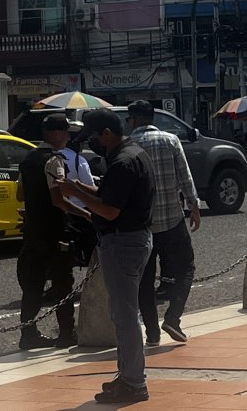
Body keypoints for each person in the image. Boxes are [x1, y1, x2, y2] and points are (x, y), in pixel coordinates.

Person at [59, 109, 154, 404]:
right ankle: (127, 375)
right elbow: (108, 193)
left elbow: (109, 209)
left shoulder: (123, 162)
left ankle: (134, 382)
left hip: (123, 242)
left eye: (94, 137)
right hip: (132, 240)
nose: (92, 144)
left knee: (124, 316)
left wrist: (73, 191)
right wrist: (77, 187)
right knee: (122, 313)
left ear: (107, 134)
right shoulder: (133, 153)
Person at [126, 100, 200, 346]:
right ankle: (173, 317)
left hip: (142, 225)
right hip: (172, 219)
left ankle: (152, 333)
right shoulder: (170, 140)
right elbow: (184, 175)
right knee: (186, 267)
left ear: (133, 120)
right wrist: (194, 206)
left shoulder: (128, 146)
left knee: (144, 279)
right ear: (152, 118)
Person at [15, 113, 91, 350]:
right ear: (57, 135)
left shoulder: (27, 159)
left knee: (33, 284)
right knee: (62, 282)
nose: (69, 137)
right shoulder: (54, 161)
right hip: (56, 231)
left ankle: (28, 334)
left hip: (33, 231)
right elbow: (58, 198)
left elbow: (19, 194)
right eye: (67, 132)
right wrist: (86, 214)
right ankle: (66, 332)